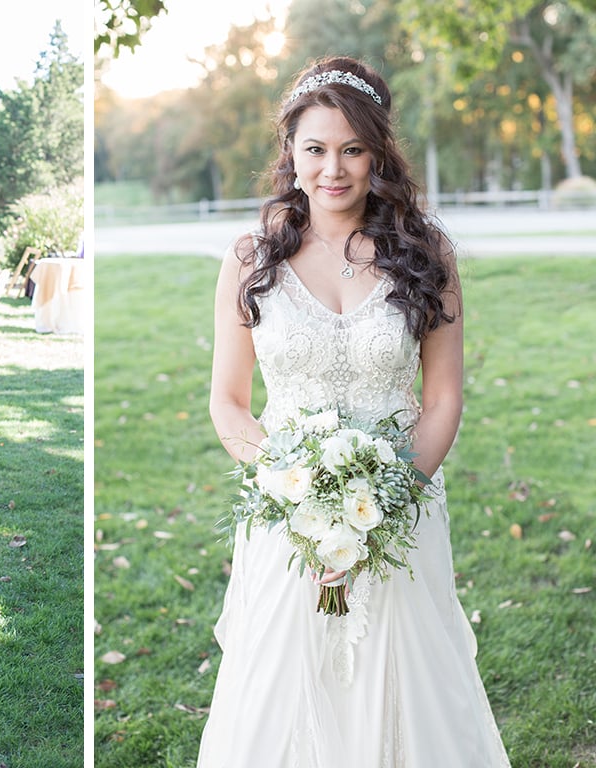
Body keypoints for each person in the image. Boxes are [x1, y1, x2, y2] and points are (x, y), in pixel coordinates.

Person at [199, 57, 510, 767]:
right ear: (292, 154)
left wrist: (390, 500)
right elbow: (229, 402)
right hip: (287, 518)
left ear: (378, 153)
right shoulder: (251, 260)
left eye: (352, 149)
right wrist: (293, 491)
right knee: (287, 685)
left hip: (401, 507)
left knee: (404, 677)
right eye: (315, 149)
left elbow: (442, 398)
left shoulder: (426, 254)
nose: (332, 169)